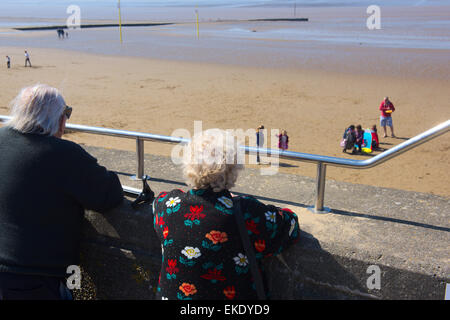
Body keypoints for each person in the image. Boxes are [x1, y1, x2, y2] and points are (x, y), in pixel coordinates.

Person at [0, 84, 124, 300]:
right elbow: (109, 193)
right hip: (33, 278)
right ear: (58, 119)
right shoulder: (64, 154)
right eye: (66, 113)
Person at [152, 129, 300, 300]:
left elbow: (156, 203)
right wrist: (236, 202)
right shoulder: (247, 213)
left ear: (188, 165)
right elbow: (291, 227)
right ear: (233, 169)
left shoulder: (168, 206)